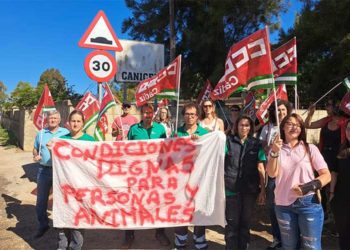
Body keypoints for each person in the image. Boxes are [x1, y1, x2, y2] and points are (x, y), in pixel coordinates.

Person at [267, 113, 331, 250]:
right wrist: (274, 152)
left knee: (311, 247)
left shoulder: (310, 148)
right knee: (289, 247)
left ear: (301, 129)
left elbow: (326, 175)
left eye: (298, 125)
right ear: (283, 127)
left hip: (308, 203)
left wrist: (308, 187)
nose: (294, 127)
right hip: (283, 204)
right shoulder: (276, 149)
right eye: (290, 123)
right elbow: (272, 174)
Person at [122, 103, 170, 249]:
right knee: (133, 203)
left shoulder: (160, 129)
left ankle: (159, 232)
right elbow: (126, 149)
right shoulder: (134, 129)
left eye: (150, 113)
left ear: (153, 114)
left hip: (155, 173)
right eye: (145, 113)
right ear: (141, 114)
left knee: (158, 202)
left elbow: (165, 150)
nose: (148, 115)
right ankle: (129, 235)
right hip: (137, 173)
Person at [224, 115, 266, 250]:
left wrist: (263, 190)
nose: (244, 128)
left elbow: (261, 167)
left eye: (247, 125)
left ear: (251, 127)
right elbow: (218, 161)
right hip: (231, 189)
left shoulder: (256, 143)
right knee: (232, 223)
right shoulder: (228, 142)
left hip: (250, 190)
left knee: (245, 223)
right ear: (236, 126)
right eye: (241, 125)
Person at [56, 110, 95, 250]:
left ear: (83, 123)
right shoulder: (62, 140)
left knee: (78, 220)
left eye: (79, 121)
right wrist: (51, 148)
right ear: (68, 122)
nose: (76, 123)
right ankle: (62, 246)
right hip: (64, 187)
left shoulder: (90, 141)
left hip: (82, 188)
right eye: (73, 121)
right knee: (63, 218)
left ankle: (75, 247)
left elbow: (96, 162)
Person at [173, 103, 209, 250]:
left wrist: (198, 143)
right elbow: (171, 156)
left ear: (197, 116)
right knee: (180, 208)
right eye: (187, 114)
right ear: (183, 115)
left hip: (199, 179)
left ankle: (199, 240)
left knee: (198, 208)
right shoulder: (177, 134)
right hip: (180, 179)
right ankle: (180, 240)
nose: (189, 117)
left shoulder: (205, 133)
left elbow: (209, 154)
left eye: (192, 114)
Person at [305, 98, 347, 222]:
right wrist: (310, 114)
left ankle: (335, 215)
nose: (326, 107)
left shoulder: (345, 122)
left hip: (339, 158)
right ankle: (324, 213)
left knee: (336, 188)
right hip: (324, 157)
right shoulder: (326, 120)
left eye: (328, 104)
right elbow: (308, 125)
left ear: (336, 106)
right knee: (321, 186)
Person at [258, 99, 292, 250]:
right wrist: (271, 147)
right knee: (273, 207)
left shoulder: (292, 127)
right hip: (273, 173)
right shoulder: (268, 127)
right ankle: (277, 238)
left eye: (283, 110)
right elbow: (263, 147)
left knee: (289, 206)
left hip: (290, 175)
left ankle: (290, 240)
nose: (281, 113)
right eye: (278, 110)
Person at [33, 110, 69, 238]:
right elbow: (35, 148)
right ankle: (43, 225)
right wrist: (36, 155)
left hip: (61, 171)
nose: (52, 120)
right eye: (50, 118)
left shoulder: (66, 133)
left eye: (55, 118)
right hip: (44, 170)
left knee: (61, 200)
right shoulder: (41, 133)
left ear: (59, 120)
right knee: (41, 200)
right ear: (47, 120)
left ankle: (61, 226)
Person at [330, 119, 350, 249]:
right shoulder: (341, 149)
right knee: (344, 235)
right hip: (342, 199)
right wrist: (331, 194)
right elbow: (334, 172)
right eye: (348, 129)